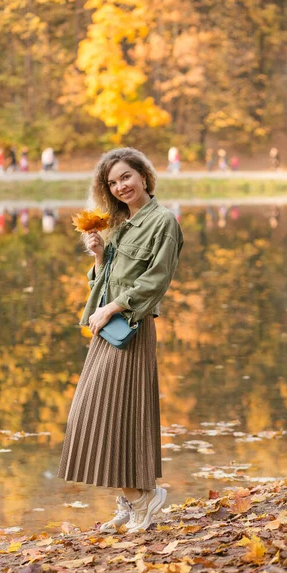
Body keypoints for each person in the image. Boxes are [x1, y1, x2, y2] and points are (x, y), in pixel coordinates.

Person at [57, 148, 184, 534]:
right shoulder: (116, 224)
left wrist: (113, 307)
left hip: (131, 327)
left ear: (144, 176)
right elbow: (101, 283)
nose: (120, 186)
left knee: (109, 415)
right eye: (112, 182)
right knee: (109, 417)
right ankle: (134, 499)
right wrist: (97, 257)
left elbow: (156, 281)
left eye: (126, 177)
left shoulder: (163, 222)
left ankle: (143, 499)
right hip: (106, 329)